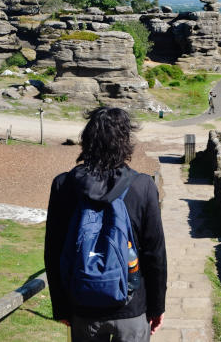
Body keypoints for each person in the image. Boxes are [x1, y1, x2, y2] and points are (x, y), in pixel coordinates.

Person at [45, 107, 167, 342]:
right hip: (132, 307)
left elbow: (54, 251)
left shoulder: (63, 185)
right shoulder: (142, 186)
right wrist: (156, 307)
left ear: (86, 140)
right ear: (125, 142)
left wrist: (60, 306)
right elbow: (155, 254)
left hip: (82, 305)